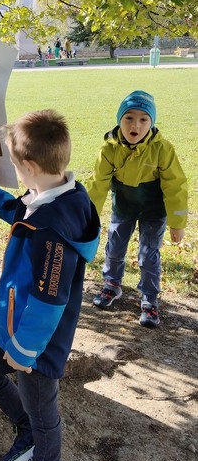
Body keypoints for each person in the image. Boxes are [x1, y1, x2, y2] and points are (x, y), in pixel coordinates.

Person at [0, 109, 100, 461]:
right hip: (13, 324)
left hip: (38, 345)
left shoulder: (54, 227)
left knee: (43, 410)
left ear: (29, 167)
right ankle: (24, 426)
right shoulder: (49, 195)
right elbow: (17, 210)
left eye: (15, 166)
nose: (16, 172)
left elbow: (49, 299)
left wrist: (25, 352)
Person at [86, 90, 187, 328]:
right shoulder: (109, 148)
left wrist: (177, 223)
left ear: (152, 123)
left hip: (153, 209)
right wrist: (88, 216)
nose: (136, 125)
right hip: (124, 206)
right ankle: (112, 284)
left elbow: (176, 186)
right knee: (114, 247)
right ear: (119, 120)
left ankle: (149, 299)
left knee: (148, 255)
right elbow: (97, 184)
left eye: (144, 119)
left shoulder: (163, 149)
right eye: (129, 118)